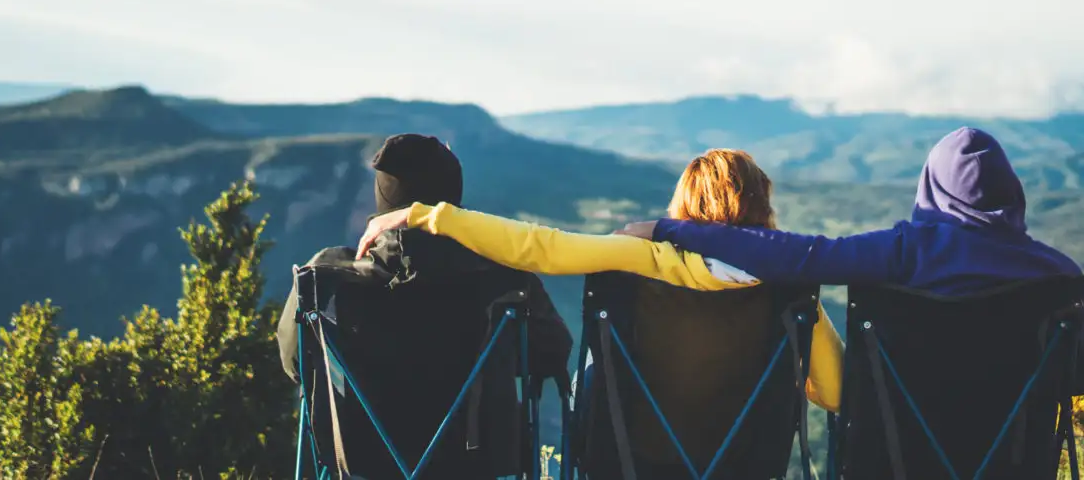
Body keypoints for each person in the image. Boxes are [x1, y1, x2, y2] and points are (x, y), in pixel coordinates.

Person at [356, 148, 844, 475]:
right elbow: (838, 393)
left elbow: (536, 247)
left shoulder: (642, 259)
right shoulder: (792, 295)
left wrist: (425, 214)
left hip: (628, 465)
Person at [615, 126, 1084, 393]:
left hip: (902, 451)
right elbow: (1081, 380)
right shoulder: (1059, 275)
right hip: (1014, 460)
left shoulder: (902, 252)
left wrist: (669, 229)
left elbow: (797, 258)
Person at [277, 133, 573, 478]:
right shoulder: (503, 277)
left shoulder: (327, 278)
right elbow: (550, 354)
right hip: (474, 463)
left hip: (361, 461)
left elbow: (296, 362)